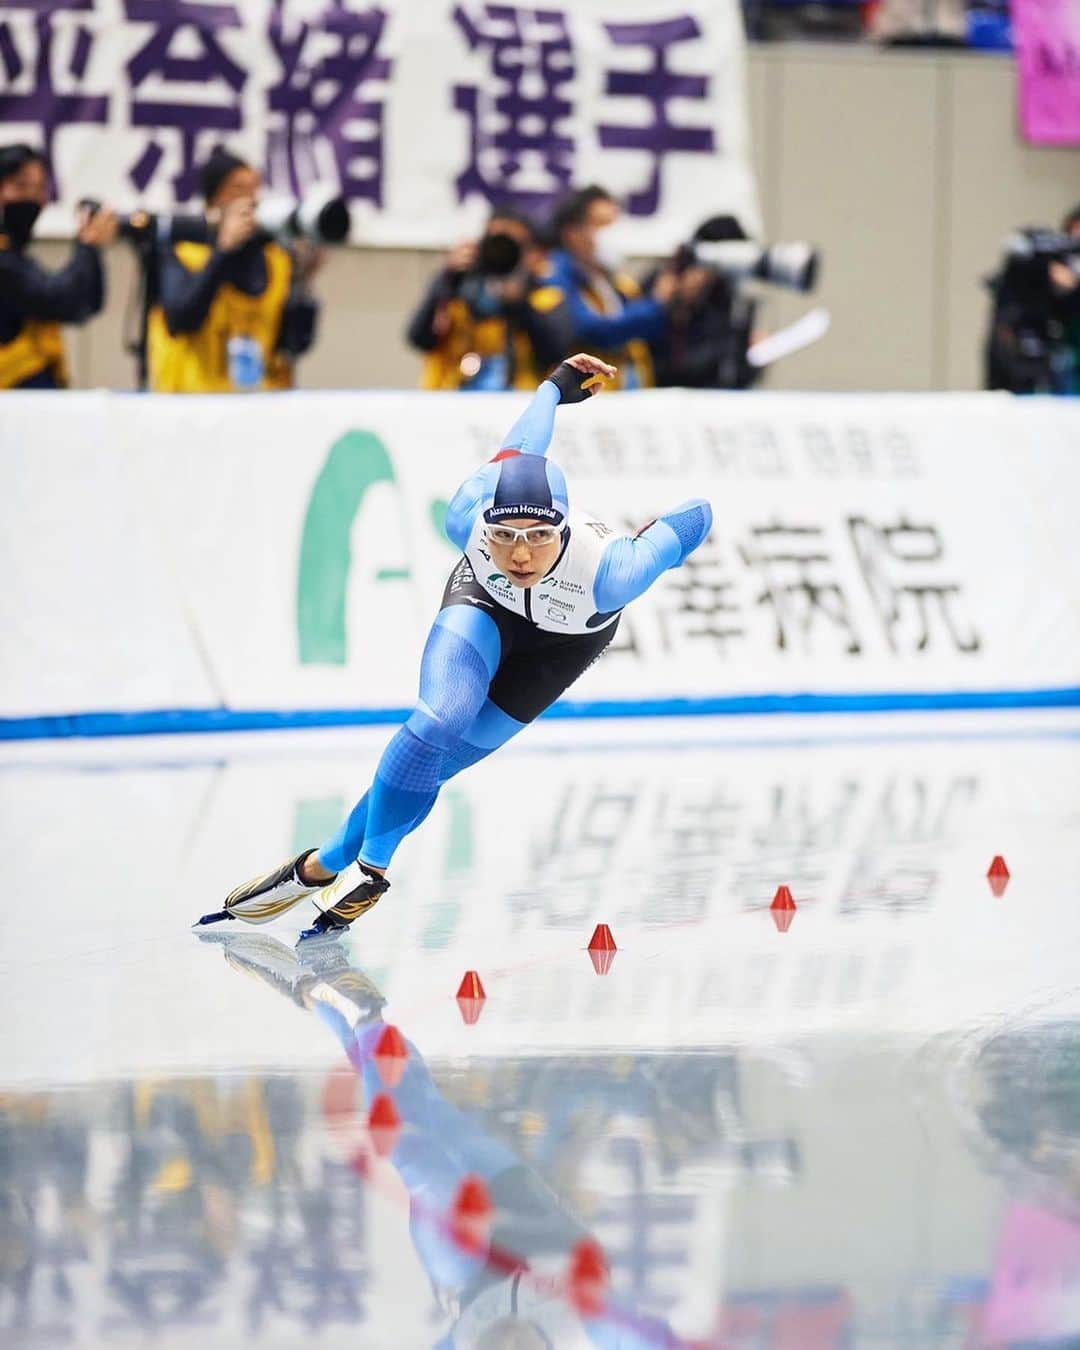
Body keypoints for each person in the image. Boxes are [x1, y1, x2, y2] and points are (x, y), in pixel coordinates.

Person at [198, 352, 713, 939]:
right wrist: (551, 389)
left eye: (540, 538)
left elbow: (701, 512)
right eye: (504, 537)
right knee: (437, 720)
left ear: (565, 530)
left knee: (436, 766)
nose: (520, 555)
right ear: (483, 526)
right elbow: (522, 446)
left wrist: (660, 535)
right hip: (484, 606)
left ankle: (324, 864)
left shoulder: (614, 571)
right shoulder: (466, 516)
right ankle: (373, 870)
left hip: (559, 648)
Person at [204, 928, 687, 1348]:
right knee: (417, 1104)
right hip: (515, 1195)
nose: (511, 1342)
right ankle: (329, 1001)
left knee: (418, 1144)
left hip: (470, 1256)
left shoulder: (466, 1338)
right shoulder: (590, 1329)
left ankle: (344, 1010)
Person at [146, 146, 321, 393]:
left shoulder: (275, 259)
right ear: (213, 196)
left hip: (257, 405)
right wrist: (224, 248)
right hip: (191, 404)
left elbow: (293, 344)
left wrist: (304, 281)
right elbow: (182, 318)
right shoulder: (183, 250)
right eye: (238, 189)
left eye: (254, 189)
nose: (250, 199)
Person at [406, 206, 572, 391]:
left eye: (511, 245)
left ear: (530, 251)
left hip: (517, 402)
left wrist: (520, 305)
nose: (501, 251)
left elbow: (553, 353)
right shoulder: (457, 286)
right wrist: (446, 279)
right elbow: (419, 338)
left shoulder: (545, 296)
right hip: (449, 399)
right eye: (494, 242)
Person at [0, 143, 115, 390]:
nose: (34, 198)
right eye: (21, 186)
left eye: (40, 189)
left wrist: (90, 247)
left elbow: (84, 303)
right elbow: (57, 299)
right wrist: (86, 245)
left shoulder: (17, 256)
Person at [547, 186, 677, 390]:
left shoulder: (612, 280)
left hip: (624, 391)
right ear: (572, 232)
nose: (613, 234)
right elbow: (592, 330)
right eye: (602, 225)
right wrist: (656, 304)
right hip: (581, 396)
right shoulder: (554, 275)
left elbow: (651, 331)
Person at [645, 215, 763, 390]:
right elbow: (659, 362)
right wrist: (676, 305)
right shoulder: (665, 283)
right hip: (663, 393)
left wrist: (753, 354)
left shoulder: (729, 295)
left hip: (715, 397)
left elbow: (735, 374)